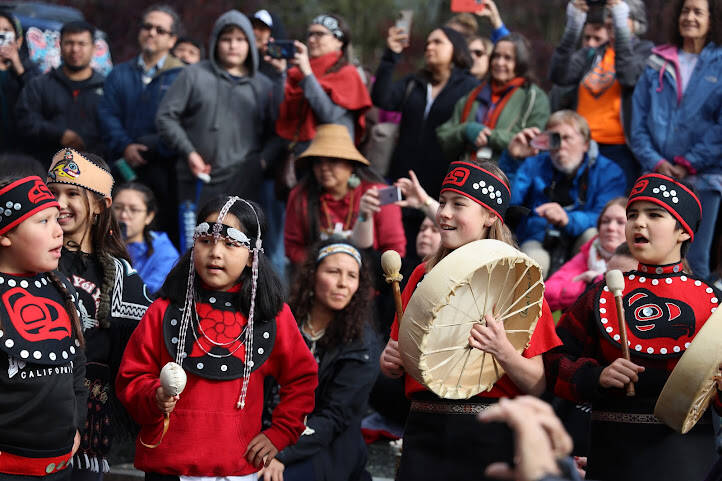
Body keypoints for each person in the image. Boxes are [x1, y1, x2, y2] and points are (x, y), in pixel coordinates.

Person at [379, 159, 562, 481]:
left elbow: (538, 383)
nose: (444, 212)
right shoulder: (422, 275)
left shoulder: (519, 280)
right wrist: (391, 360)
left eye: (458, 204)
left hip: (489, 435)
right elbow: (399, 354)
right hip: (424, 431)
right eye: (443, 201)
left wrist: (502, 350)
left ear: (491, 216)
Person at [116, 195, 318, 478]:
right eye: (206, 240)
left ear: (251, 256)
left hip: (237, 468)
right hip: (168, 469)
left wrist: (281, 432)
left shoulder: (270, 316)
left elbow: (301, 377)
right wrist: (155, 396)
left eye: (230, 243)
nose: (215, 252)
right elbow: (132, 377)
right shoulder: (163, 311)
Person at [544, 173, 722, 481]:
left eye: (654, 215)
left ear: (683, 231)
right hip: (612, 455)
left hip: (687, 459)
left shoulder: (714, 305)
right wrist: (596, 375)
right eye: (632, 215)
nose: (638, 223)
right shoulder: (598, 297)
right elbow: (552, 361)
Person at [46, 148, 153, 478]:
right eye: (52, 193)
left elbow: (141, 355)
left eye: (72, 194)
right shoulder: (32, 262)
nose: (59, 203)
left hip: (89, 434)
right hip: (30, 418)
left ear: (100, 206)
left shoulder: (122, 276)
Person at [260, 239, 379, 481]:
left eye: (351, 275)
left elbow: (333, 418)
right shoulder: (283, 322)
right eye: (333, 272)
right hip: (268, 431)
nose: (343, 283)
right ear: (313, 276)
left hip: (327, 445)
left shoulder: (362, 343)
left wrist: (281, 452)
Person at [0, 175, 87, 479]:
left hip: (60, 466)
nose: (58, 230)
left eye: (56, 219)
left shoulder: (60, 287)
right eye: (42, 221)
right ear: (5, 234)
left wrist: (76, 423)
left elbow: (76, 364)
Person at [630, 0, 722, 282]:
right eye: (685, 10)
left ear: (712, 19)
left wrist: (688, 162)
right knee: (650, 254)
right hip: (657, 173)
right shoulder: (657, 60)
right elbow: (638, 121)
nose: (690, 17)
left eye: (697, 12)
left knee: (695, 259)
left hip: (703, 178)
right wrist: (656, 161)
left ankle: (701, 323)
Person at [156, 10, 276, 206]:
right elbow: (166, 117)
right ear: (215, 42)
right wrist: (189, 152)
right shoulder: (193, 75)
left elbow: (279, 132)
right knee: (196, 236)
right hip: (196, 179)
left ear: (250, 44)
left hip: (245, 182)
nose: (233, 45)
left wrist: (262, 162)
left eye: (240, 39)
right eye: (226, 39)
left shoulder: (263, 85)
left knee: (238, 236)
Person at [97, 4, 184, 243]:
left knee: (161, 237)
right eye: (147, 27)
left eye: (160, 29)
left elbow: (184, 123)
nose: (151, 33)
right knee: (114, 234)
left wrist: (152, 146)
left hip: (165, 171)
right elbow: (107, 114)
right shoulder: (119, 74)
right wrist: (126, 146)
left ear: (172, 39)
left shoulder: (183, 77)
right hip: (122, 167)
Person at [506, 110, 626, 277]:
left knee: (592, 235)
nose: (560, 145)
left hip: (582, 241)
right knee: (533, 264)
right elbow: (509, 202)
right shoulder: (534, 164)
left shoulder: (609, 172)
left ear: (586, 144)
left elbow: (604, 216)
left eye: (567, 138)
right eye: (554, 139)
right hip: (537, 236)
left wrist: (568, 219)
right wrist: (513, 160)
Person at [549, 0, 653, 191]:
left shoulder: (645, 51)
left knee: (614, 211)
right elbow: (559, 75)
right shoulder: (592, 53)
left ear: (636, 22)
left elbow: (628, 76)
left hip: (620, 150)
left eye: (619, 14)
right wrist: (573, 26)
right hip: (582, 146)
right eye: (608, 15)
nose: (611, 19)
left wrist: (621, 31)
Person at [372, 24, 477, 200]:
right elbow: (381, 98)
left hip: (444, 187)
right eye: (428, 43)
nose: (429, 47)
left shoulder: (470, 87)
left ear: (456, 49)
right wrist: (391, 56)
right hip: (403, 181)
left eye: (438, 42)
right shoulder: (414, 83)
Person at [284, 124, 405, 268]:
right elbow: (293, 248)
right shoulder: (300, 196)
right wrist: (324, 265)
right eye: (318, 162)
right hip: (318, 280)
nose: (324, 168)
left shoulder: (376, 195)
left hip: (370, 280)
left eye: (333, 160)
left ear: (351, 165)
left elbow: (394, 251)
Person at [437, 32, 550, 167]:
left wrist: (489, 136)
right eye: (496, 56)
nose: (499, 62)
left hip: (508, 177)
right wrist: (465, 130)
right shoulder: (474, 94)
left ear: (521, 62)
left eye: (508, 58)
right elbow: (444, 135)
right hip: (466, 175)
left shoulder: (534, 98)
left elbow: (532, 142)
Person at [275, 13, 371, 156]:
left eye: (319, 34)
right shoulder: (296, 72)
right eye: (310, 34)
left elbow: (329, 115)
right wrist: (281, 72)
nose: (312, 40)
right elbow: (280, 113)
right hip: (296, 155)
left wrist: (307, 73)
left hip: (330, 158)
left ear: (339, 41)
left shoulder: (348, 74)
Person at [16, 21, 105, 166]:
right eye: (69, 43)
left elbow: (113, 129)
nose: (75, 49)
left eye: (81, 44)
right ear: (60, 45)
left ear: (94, 48)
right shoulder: (40, 85)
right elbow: (25, 121)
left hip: (92, 170)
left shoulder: (107, 88)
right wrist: (58, 135)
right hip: (45, 169)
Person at [545, 197, 627, 312]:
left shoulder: (639, 261)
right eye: (605, 221)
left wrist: (594, 281)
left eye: (620, 222)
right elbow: (548, 292)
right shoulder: (590, 252)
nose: (611, 227)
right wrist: (587, 286)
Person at [113, 182, 179, 293]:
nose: (123, 215)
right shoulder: (97, 242)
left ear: (149, 216)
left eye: (134, 210)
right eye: (118, 208)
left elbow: (148, 294)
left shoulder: (164, 252)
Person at [0, 12, 40, 154]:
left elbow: (40, 98)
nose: (1, 35)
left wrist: (18, 66)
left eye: (6, 31)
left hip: (20, 151)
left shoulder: (30, 69)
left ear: (19, 40)